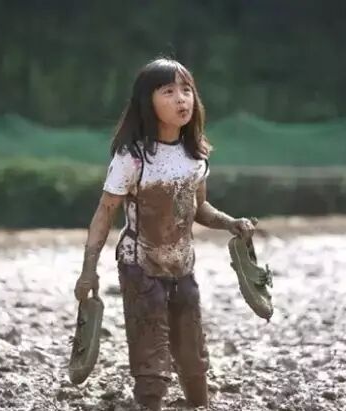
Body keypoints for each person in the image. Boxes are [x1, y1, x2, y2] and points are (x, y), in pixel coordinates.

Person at [74, 57, 256, 410]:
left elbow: (199, 208)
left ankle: (199, 404)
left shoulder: (195, 155)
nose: (181, 98)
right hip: (139, 266)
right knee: (150, 352)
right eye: (168, 91)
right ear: (148, 101)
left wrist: (231, 223)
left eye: (186, 90)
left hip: (182, 266)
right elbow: (104, 213)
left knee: (193, 352)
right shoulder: (133, 158)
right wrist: (88, 270)